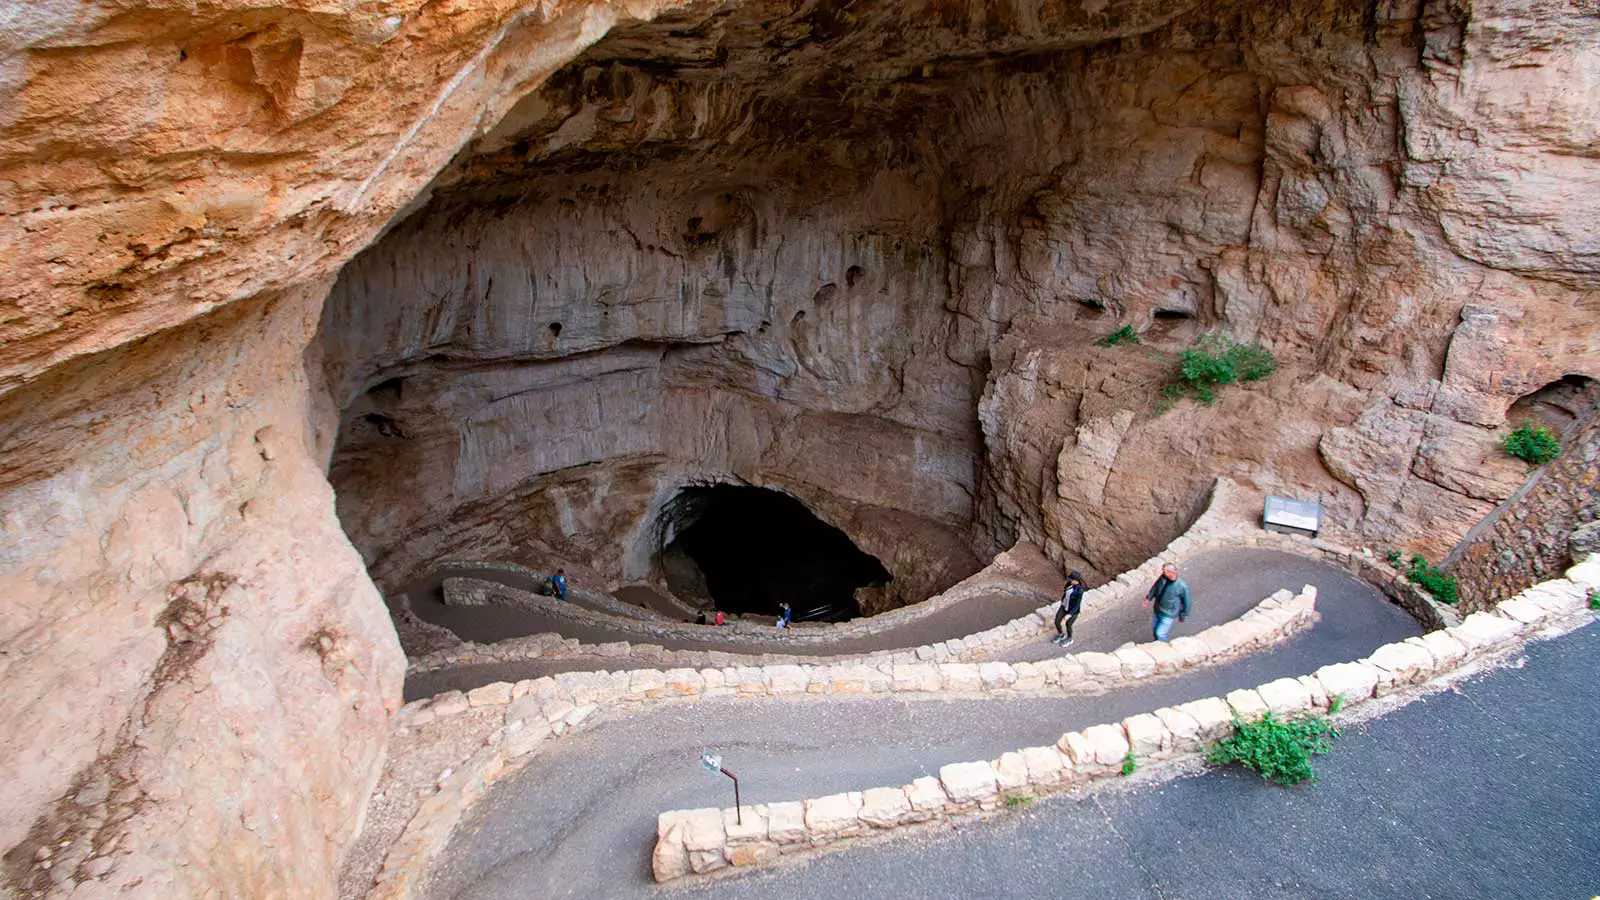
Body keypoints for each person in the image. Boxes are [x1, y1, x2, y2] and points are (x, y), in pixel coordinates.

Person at [1142, 561, 1190, 642]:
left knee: (1160, 633)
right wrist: (1148, 598)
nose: (1162, 572)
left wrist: (1183, 614)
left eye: (1164, 571)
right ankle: (1157, 643)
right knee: (1155, 629)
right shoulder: (1163, 578)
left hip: (1168, 613)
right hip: (1158, 610)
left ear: (1170, 572)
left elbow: (1187, 602)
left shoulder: (1181, 586)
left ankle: (1163, 647)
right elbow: (1155, 587)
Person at [1052, 571, 1085, 647]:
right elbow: (1066, 594)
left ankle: (1070, 638)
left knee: (1068, 624)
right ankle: (1061, 634)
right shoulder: (1069, 585)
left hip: (1072, 611)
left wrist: (1070, 614)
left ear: (1075, 580)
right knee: (1057, 621)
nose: (1069, 580)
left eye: (1071, 579)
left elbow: (1077, 604)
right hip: (1064, 606)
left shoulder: (1080, 590)